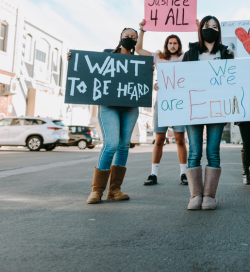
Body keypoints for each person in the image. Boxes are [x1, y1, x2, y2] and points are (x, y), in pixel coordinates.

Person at [182, 15, 250, 211]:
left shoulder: (226, 53)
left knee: (213, 151)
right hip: (193, 108)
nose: (210, 29)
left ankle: (209, 196)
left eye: (214, 26)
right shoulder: (190, 53)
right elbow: (181, 79)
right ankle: (195, 196)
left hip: (217, 109)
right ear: (200, 29)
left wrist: (247, 82)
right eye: (206, 26)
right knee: (194, 151)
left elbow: (235, 77)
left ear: (219, 31)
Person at [68, 28, 141, 204]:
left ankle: (115, 190)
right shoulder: (107, 54)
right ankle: (97, 190)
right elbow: (89, 69)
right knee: (111, 144)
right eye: (127, 36)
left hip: (130, 107)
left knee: (124, 146)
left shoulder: (139, 61)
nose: (130, 39)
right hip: (109, 106)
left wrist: (148, 71)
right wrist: (74, 60)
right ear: (120, 38)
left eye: (134, 37)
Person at [135, 19, 188, 186]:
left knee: (180, 139)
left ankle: (183, 174)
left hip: (179, 103)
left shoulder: (185, 58)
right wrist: (142, 29)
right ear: (167, 45)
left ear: (179, 45)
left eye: (175, 43)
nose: (173, 45)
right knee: (159, 140)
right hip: (162, 103)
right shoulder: (158, 57)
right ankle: (153, 174)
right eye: (170, 43)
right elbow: (138, 50)